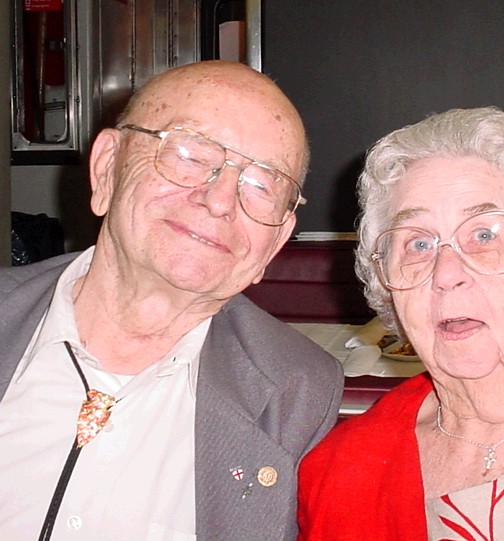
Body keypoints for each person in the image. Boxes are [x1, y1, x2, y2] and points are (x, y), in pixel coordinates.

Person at [0, 60, 343, 541]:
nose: (220, 201)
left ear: (277, 240)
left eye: (262, 185)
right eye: (189, 154)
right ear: (107, 168)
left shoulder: (300, 391)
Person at [297, 107, 504, 539]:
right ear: (389, 292)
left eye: (483, 235)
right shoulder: (338, 475)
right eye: (418, 244)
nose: (446, 274)